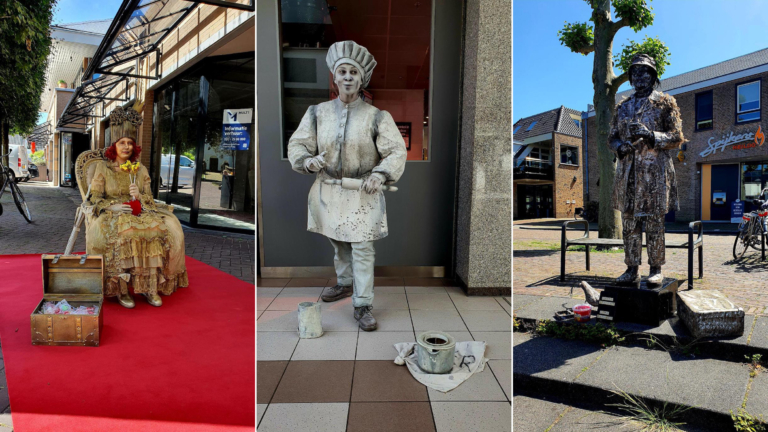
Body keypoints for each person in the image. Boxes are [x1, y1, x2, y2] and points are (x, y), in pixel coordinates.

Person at [288, 40, 407, 331]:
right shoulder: (317, 113)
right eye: (343, 71)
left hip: (363, 192)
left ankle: (363, 303)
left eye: (353, 72)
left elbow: (395, 151)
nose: (348, 77)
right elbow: (298, 144)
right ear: (335, 76)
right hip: (328, 191)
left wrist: (380, 174)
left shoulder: (378, 116)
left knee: (362, 247)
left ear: (361, 78)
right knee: (339, 242)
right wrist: (307, 161)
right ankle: (344, 283)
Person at [86, 105, 188, 308]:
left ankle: (151, 288)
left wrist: (139, 195)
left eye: (130, 143)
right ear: (114, 145)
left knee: (157, 230)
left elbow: (149, 198)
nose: (126, 147)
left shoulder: (139, 169)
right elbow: (94, 198)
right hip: (114, 213)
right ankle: (121, 290)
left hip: (139, 211)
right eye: (122, 142)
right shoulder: (102, 168)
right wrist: (112, 207)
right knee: (125, 235)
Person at [609, 54, 685, 285]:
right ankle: (631, 269)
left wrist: (650, 135)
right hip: (628, 175)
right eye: (635, 73)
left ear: (653, 76)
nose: (639, 76)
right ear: (630, 78)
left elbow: (676, 137)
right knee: (630, 225)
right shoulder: (622, 107)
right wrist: (619, 146)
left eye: (645, 72)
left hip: (654, 175)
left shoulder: (664, 103)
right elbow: (612, 138)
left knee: (654, 224)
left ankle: (655, 269)